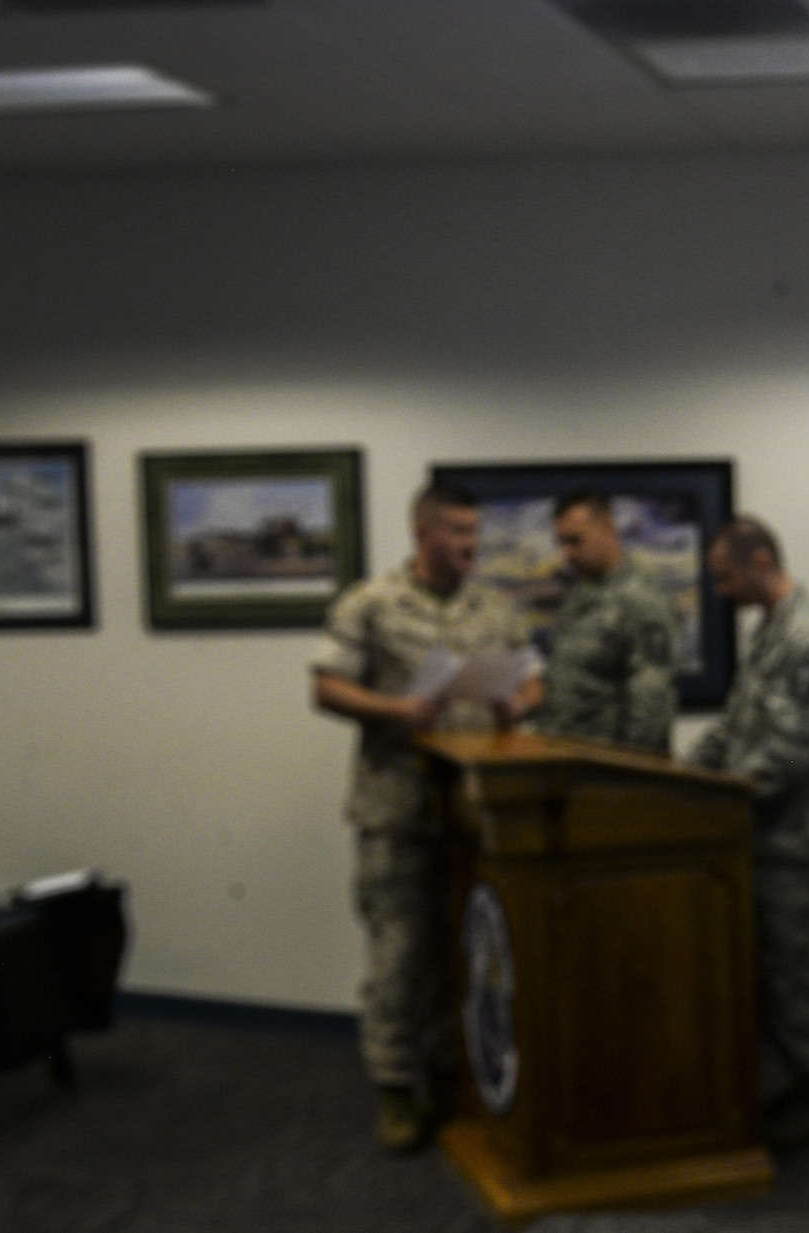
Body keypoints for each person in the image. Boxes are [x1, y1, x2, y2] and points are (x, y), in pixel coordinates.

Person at [310, 482, 542, 1153]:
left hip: (471, 811)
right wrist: (394, 711)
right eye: (459, 532)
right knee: (399, 953)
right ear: (423, 532)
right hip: (398, 807)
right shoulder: (372, 603)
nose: (471, 544)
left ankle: (447, 1075)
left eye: (475, 532)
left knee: (460, 950)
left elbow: (534, 678)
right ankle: (393, 1085)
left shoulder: (493, 607)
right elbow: (325, 687)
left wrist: (519, 706)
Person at [686, 516, 809, 1147]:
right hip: (757, 831)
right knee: (766, 966)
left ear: (761, 561)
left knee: (793, 969)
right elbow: (735, 725)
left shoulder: (808, 637)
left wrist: (712, 794)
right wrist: (673, 776)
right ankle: (794, 1078)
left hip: (793, 837)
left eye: (726, 577)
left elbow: (789, 754)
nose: (722, 591)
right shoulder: (769, 633)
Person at [528, 490, 682, 754]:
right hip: (566, 761)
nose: (567, 553)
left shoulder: (642, 601)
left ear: (608, 528)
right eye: (562, 543)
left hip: (608, 772)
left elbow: (651, 706)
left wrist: (628, 778)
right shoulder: (580, 594)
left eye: (575, 541)